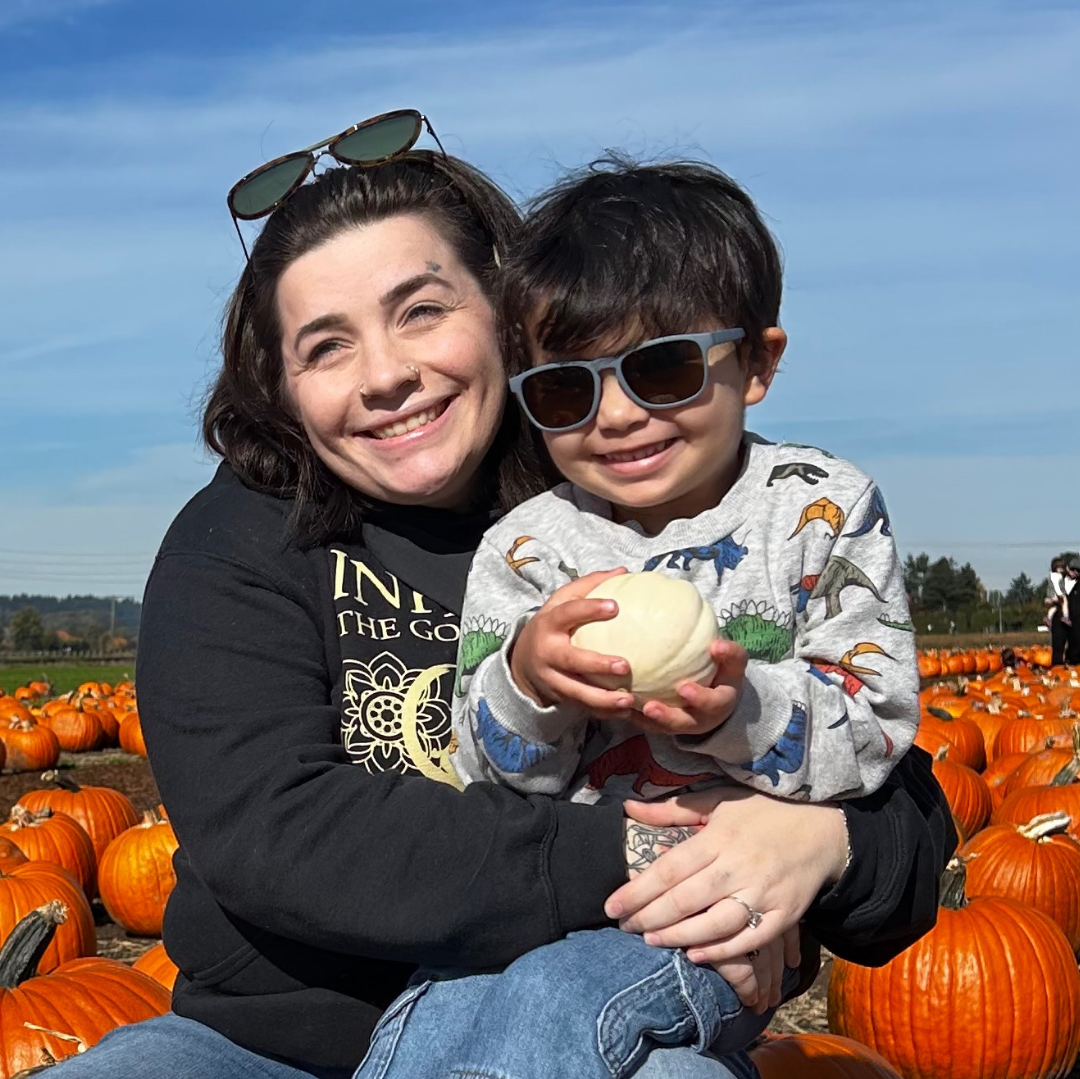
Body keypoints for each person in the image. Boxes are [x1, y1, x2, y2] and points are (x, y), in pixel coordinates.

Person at [47, 128, 954, 1079]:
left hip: (583, 1002)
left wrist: (822, 842)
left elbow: (896, 779)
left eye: (422, 310)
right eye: (327, 346)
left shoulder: (625, 501)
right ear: (282, 386)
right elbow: (282, 837)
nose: (386, 373)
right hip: (266, 1046)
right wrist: (663, 852)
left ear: (506, 315)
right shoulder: (233, 544)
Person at [362, 159, 918, 1079]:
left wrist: (739, 713)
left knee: (550, 1005)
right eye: (565, 390)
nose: (616, 416)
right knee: (434, 1020)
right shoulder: (528, 549)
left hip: (700, 917)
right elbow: (493, 771)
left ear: (759, 364)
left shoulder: (818, 511)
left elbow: (878, 721)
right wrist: (530, 684)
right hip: (540, 898)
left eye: (661, 369)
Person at [1045, 556, 1070, 630]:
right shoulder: (1057, 576)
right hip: (1055, 595)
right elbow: (1056, 586)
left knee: (1055, 607)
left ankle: (1049, 618)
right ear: (1055, 568)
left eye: (1062, 568)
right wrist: (1061, 595)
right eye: (1059, 568)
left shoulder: (1051, 575)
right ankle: (1066, 616)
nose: (1061, 570)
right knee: (1065, 601)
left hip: (1049, 596)